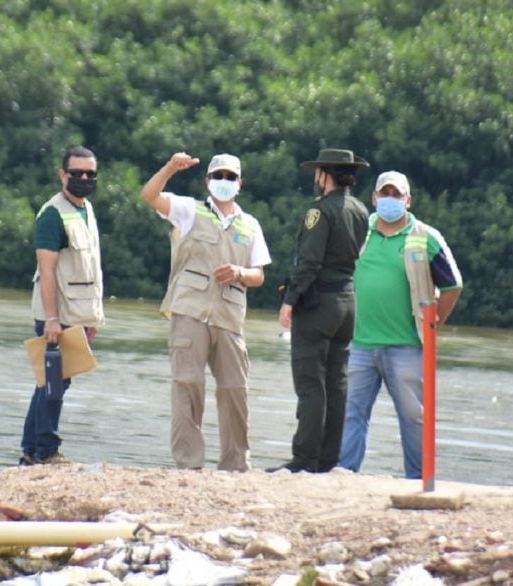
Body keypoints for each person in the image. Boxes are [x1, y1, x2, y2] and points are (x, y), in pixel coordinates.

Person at [140, 152, 271, 471]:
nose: (223, 182)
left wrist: (239, 273)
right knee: (187, 385)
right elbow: (150, 195)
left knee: (235, 390)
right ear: (207, 181)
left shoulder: (250, 224)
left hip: (229, 317)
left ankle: (236, 465)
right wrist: (171, 167)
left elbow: (259, 275)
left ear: (240, 183)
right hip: (190, 311)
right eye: (218, 176)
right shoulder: (188, 210)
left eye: (230, 177)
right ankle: (189, 464)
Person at [338, 170, 463, 478]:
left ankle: (418, 479)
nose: (390, 200)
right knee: (350, 414)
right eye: (385, 194)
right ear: (374, 198)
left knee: (413, 416)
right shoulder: (358, 231)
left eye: (397, 195)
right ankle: (344, 473)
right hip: (361, 343)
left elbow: (453, 286)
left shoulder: (425, 237)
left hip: (407, 345)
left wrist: (433, 325)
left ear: (408, 200)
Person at [270, 148, 370, 473]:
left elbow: (310, 262)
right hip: (347, 302)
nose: (315, 178)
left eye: (318, 173)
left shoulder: (320, 211)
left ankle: (304, 459)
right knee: (336, 384)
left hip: (319, 304)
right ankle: (329, 460)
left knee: (310, 384)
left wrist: (290, 300)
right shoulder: (359, 209)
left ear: (325, 175)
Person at [19, 146, 105, 466]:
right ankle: (46, 451)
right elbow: (48, 271)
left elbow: (90, 268)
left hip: (76, 314)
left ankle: (31, 450)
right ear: (62, 175)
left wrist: (92, 317)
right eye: (77, 173)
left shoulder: (86, 209)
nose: (84, 179)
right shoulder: (52, 214)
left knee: (50, 382)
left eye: (90, 174)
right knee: (54, 383)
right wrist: (52, 319)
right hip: (55, 315)